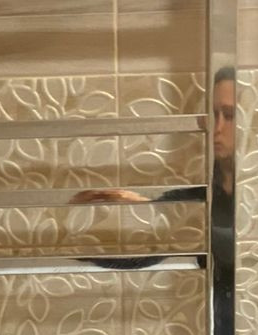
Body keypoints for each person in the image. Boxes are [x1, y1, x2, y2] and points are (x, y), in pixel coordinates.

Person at [68, 68, 236, 275]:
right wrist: (76, 245)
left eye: (229, 116)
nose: (218, 127)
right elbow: (148, 253)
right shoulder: (198, 195)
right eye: (213, 115)